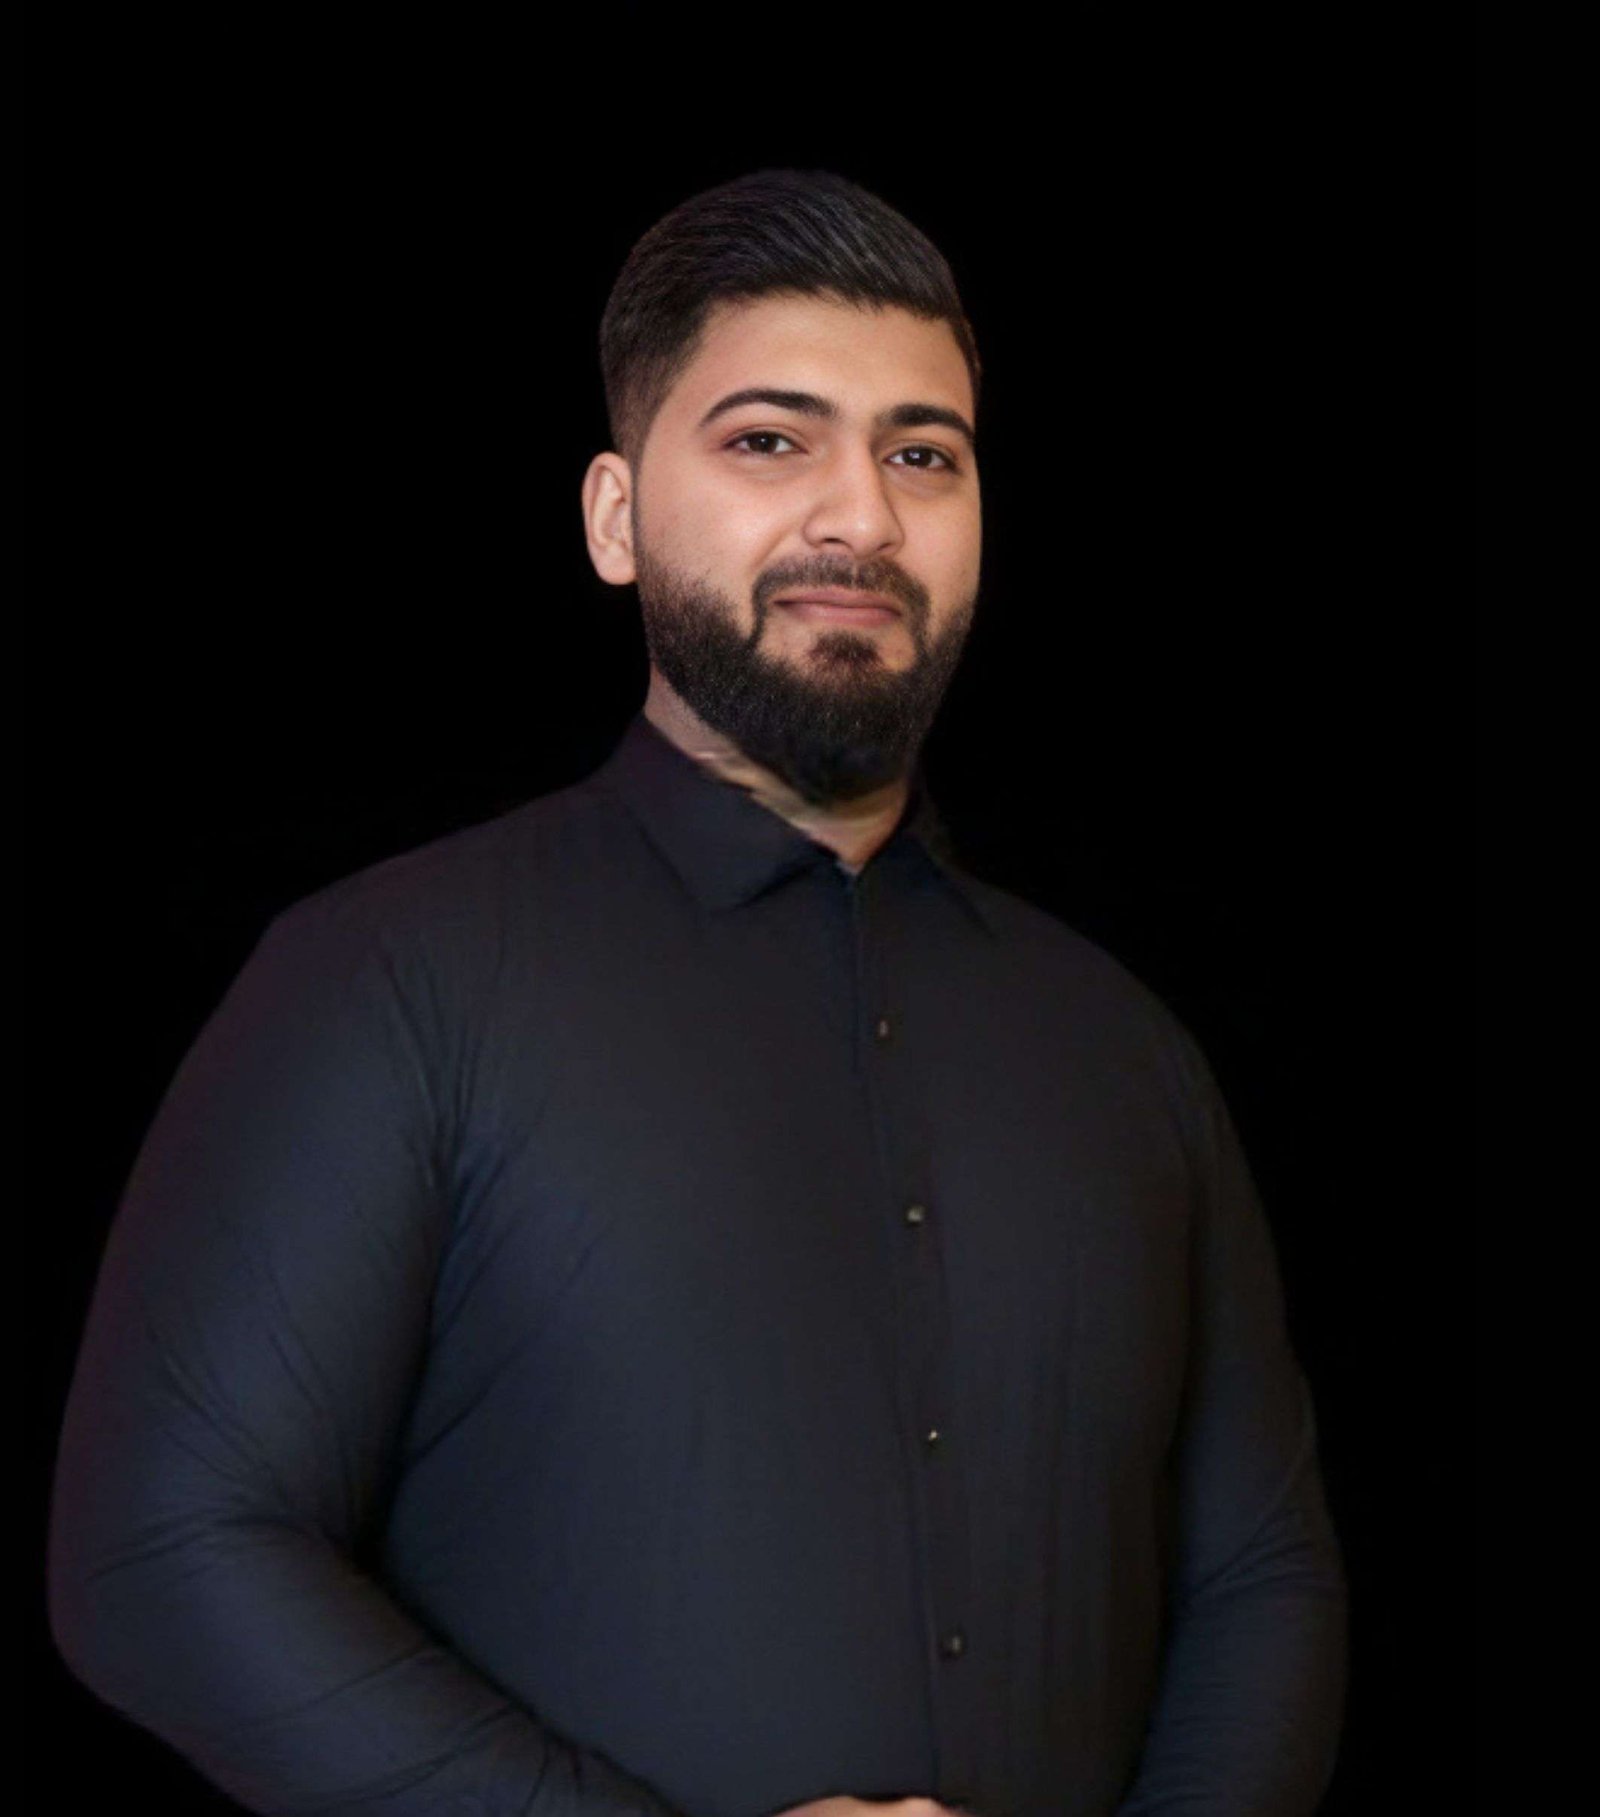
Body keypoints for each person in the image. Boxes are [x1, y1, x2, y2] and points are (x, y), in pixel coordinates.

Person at [47, 169, 1348, 1817]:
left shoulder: (1127, 1047)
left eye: (923, 456)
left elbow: (1261, 1577)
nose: (861, 518)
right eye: (770, 440)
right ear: (614, 517)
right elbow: (161, 1550)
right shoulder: (390, 981)